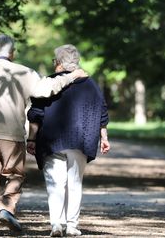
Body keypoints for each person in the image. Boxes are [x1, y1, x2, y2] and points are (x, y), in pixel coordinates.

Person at [0, 35, 88, 237]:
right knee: (15, 175)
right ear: (12, 53)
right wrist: (72, 76)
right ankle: (6, 208)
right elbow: (46, 89)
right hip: (13, 136)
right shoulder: (24, 72)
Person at [26, 44, 110, 237]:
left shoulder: (48, 84)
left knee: (55, 183)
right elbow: (102, 112)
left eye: (54, 61)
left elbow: (36, 114)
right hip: (80, 141)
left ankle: (57, 224)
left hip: (51, 140)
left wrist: (31, 139)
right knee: (74, 183)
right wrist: (104, 137)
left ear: (58, 64)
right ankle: (72, 226)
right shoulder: (90, 84)